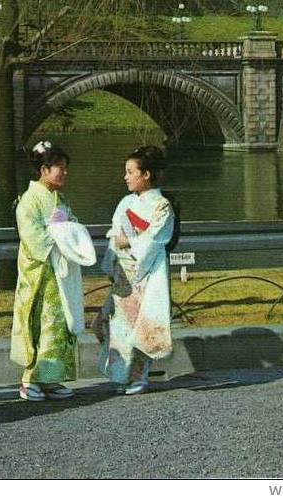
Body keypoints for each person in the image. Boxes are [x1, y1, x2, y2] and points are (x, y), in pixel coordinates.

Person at [93, 145, 177, 395]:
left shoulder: (162, 206)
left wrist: (128, 241)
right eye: (126, 171)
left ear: (146, 175)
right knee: (118, 327)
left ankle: (139, 377)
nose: (126, 176)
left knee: (142, 325)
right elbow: (114, 234)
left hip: (147, 273)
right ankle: (121, 377)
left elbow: (155, 239)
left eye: (131, 172)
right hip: (123, 275)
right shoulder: (125, 203)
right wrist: (113, 258)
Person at [10, 139, 79, 402]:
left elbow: (73, 225)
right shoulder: (29, 201)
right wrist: (59, 235)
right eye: (58, 167)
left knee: (58, 325)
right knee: (38, 323)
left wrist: (69, 233)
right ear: (44, 169)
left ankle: (51, 378)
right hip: (39, 273)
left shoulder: (59, 199)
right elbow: (33, 238)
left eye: (64, 167)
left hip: (59, 271)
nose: (63, 172)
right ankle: (29, 380)